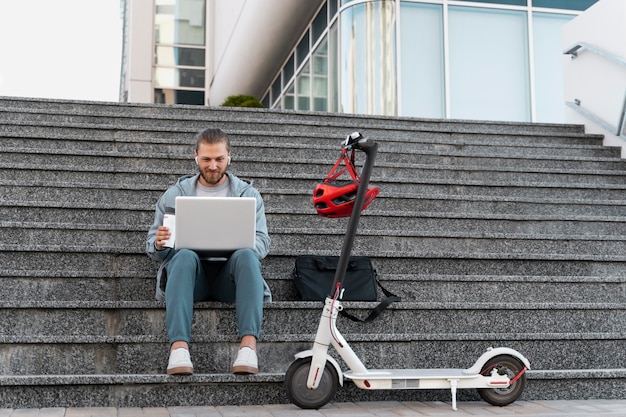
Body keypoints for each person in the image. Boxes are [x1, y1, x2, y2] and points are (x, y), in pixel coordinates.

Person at [146, 128, 271, 376]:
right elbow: (152, 245)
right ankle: (179, 349)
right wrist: (159, 243)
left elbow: (262, 243)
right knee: (183, 256)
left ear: (229, 157)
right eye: (206, 159)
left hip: (232, 279)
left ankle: (248, 348)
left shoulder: (248, 195)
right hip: (192, 279)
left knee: (246, 255)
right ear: (195, 156)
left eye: (219, 159)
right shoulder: (174, 195)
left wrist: (240, 241)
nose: (213, 165)